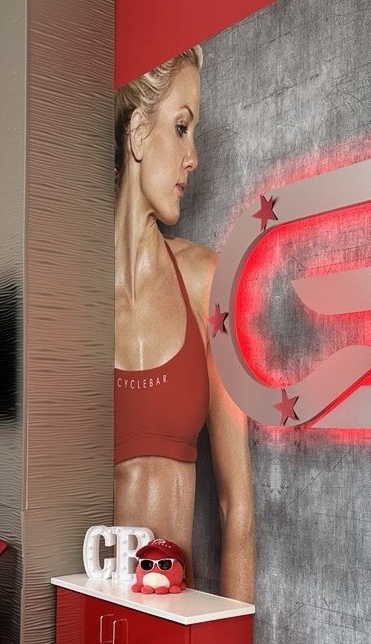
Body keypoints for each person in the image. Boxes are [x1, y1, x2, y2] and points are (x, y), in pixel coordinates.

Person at [114, 47, 255, 603]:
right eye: (181, 127)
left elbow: (236, 507)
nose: (193, 157)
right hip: (85, 617)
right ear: (138, 134)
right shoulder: (69, 299)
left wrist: (231, 643)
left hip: (174, 627)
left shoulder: (205, 281)